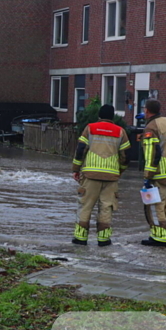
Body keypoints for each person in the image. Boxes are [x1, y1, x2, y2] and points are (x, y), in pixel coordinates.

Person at [71, 104, 130, 247]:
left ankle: (80, 238)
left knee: (85, 205)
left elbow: (80, 150)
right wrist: (119, 171)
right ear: (113, 117)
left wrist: (76, 169)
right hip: (111, 177)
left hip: (90, 175)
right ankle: (103, 240)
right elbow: (125, 156)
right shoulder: (120, 131)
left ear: (99, 116)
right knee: (106, 207)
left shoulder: (90, 128)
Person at [141, 99, 166, 246]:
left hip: (160, 174)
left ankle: (159, 237)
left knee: (157, 205)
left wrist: (148, 176)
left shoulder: (151, 128)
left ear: (147, 110)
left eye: (144, 109)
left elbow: (152, 153)